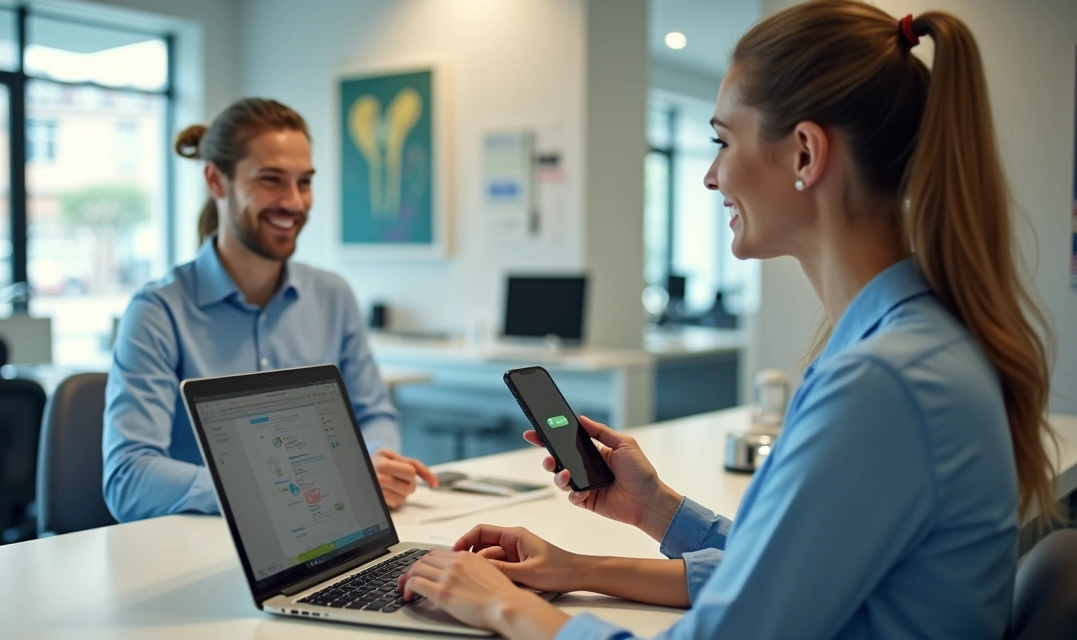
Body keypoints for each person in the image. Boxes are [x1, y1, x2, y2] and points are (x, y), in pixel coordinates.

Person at [395, 2, 1058, 638]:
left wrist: (504, 608)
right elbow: (785, 574)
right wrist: (641, 520)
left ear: (805, 154)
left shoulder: (882, 382)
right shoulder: (910, 344)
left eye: (723, 141)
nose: (710, 177)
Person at [103, 98, 437, 521]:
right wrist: (283, 488)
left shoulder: (332, 296)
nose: (294, 202)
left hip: (326, 529)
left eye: (305, 182)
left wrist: (376, 463)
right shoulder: (157, 312)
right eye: (272, 180)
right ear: (216, 180)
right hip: (205, 541)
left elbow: (373, 414)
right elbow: (129, 478)